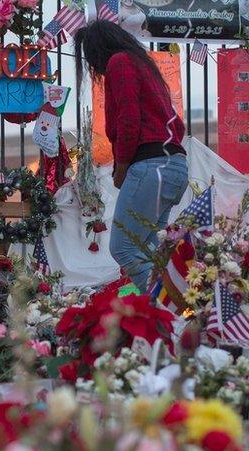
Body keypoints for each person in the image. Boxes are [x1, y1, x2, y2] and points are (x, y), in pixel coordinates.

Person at [74, 20, 187, 292]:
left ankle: (174, 307)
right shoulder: (142, 64)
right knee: (149, 250)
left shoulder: (119, 62)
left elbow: (128, 118)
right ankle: (171, 310)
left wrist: (122, 165)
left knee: (123, 248)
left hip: (152, 164)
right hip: (172, 165)